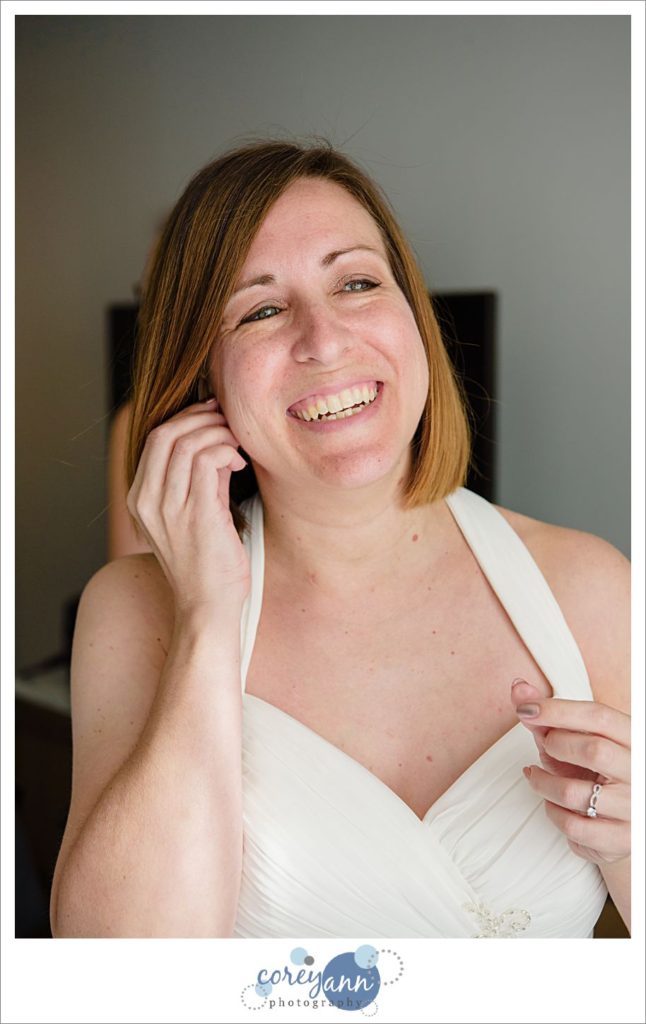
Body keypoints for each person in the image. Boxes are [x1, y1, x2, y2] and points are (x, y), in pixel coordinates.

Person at [50, 140, 631, 938]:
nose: (323, 340)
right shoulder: (131, 613)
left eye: (356, 282)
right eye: (259, 308)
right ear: (202, 381)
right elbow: (122, 976)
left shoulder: (591, 586)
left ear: (413, 318)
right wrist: (208, 623)